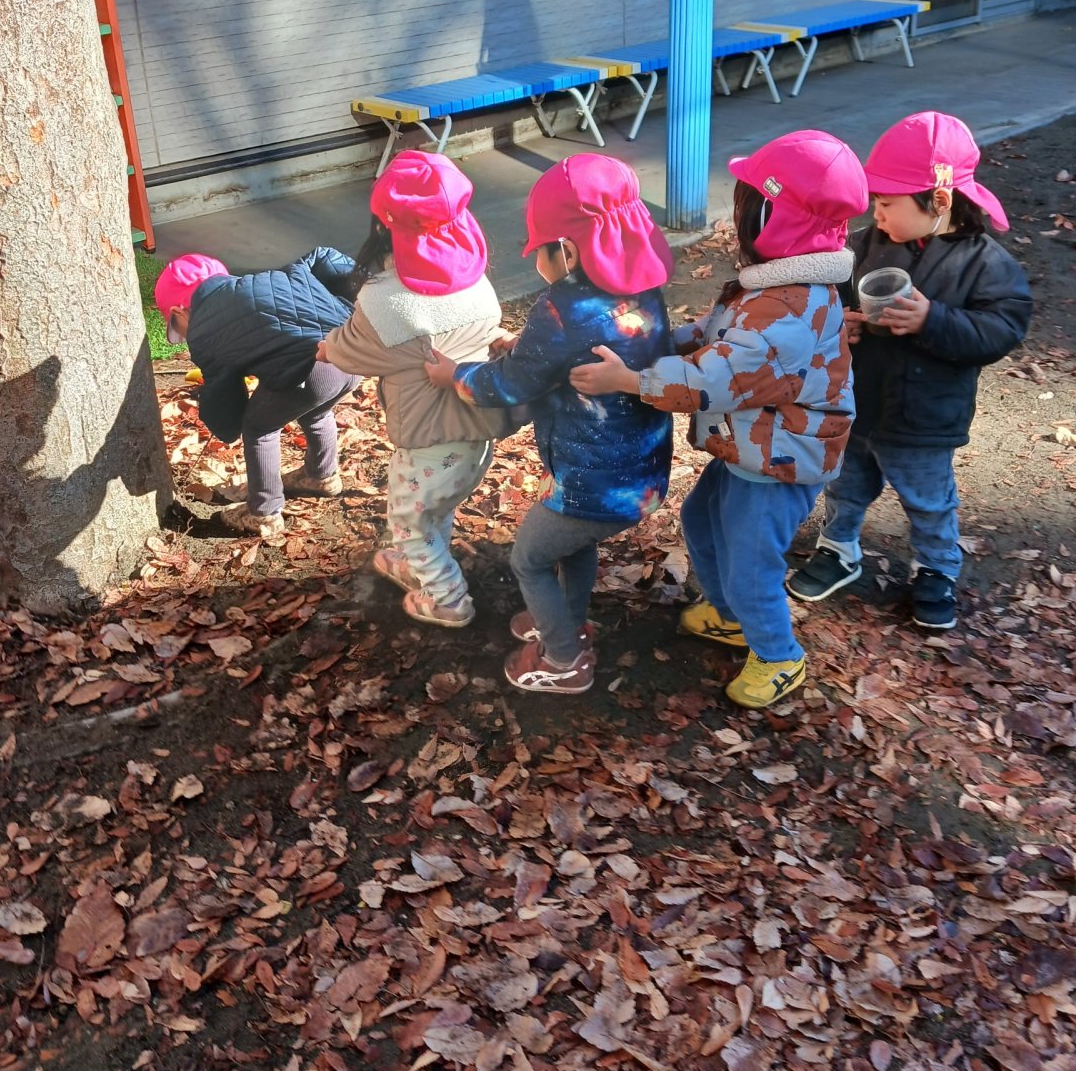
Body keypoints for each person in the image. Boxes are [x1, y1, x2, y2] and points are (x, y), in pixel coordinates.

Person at [571, 130, 868, 710]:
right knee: (703, 519)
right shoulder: (775, 287)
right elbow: (719, 339)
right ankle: (733, 616)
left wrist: (631, 380)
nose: (735, 219)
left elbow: (718, 377)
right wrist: (660, 341)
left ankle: (779, 656)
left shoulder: (786, 308)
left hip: (780, 459)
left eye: (744, 206)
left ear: (772, 218)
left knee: (750, 564)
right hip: (751, 445)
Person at [425, 153, 675, 696]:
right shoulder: (642, 288)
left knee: (531, 559)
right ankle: (566, 619)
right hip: (641, 473)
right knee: (571, 545)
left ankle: (564, 659)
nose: (536, 257)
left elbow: (511, 385)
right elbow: (591, 345)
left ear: (567, 249)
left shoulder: (562, 307)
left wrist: (455, 374)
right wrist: (527, 346)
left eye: (537, 247)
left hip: (591, 479)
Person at [786, 111, 1032, 631]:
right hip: (857, 402)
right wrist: (840, 323)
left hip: (925, 417)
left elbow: (1003, 329)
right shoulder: (866, 245)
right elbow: (831, 294)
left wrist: (932, 320)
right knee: (845, 484)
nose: (876, 214)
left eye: (887, 203)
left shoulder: (986, 264)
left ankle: (937, 567)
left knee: (928, 499)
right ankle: (839, 547)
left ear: (939, 201)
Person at [319, 151, 516, 630]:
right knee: (432, 510)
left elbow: (351, 350)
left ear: (384, 224)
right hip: (475, 432)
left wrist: (325, 348)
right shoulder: (475, 277)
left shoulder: (387, 302)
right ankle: (420, 561)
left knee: (409, 523)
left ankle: (447, 599)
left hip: (429, 439)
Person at [155, 250, 361, 540]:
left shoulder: (203, 328)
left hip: (312, 369)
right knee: (316, 412)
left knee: (259, 428)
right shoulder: (258, 285)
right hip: (352, 357)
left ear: (180, 312)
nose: (184, 335)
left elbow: (223, 397)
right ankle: (321, 475)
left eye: (177, 328)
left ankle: (263, 513)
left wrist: (225, 424)